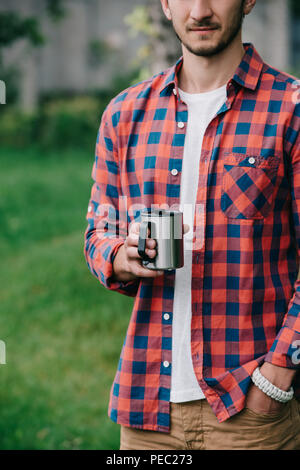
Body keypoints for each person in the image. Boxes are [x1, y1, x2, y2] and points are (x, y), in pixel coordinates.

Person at [84, 0, 300, 450]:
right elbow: (98, 231)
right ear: (164, 4)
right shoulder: (125, 114)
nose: (199, 9)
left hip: (249, 409)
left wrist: (278, 375)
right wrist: (119, 257)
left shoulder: (290, 109)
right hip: (146, 412)